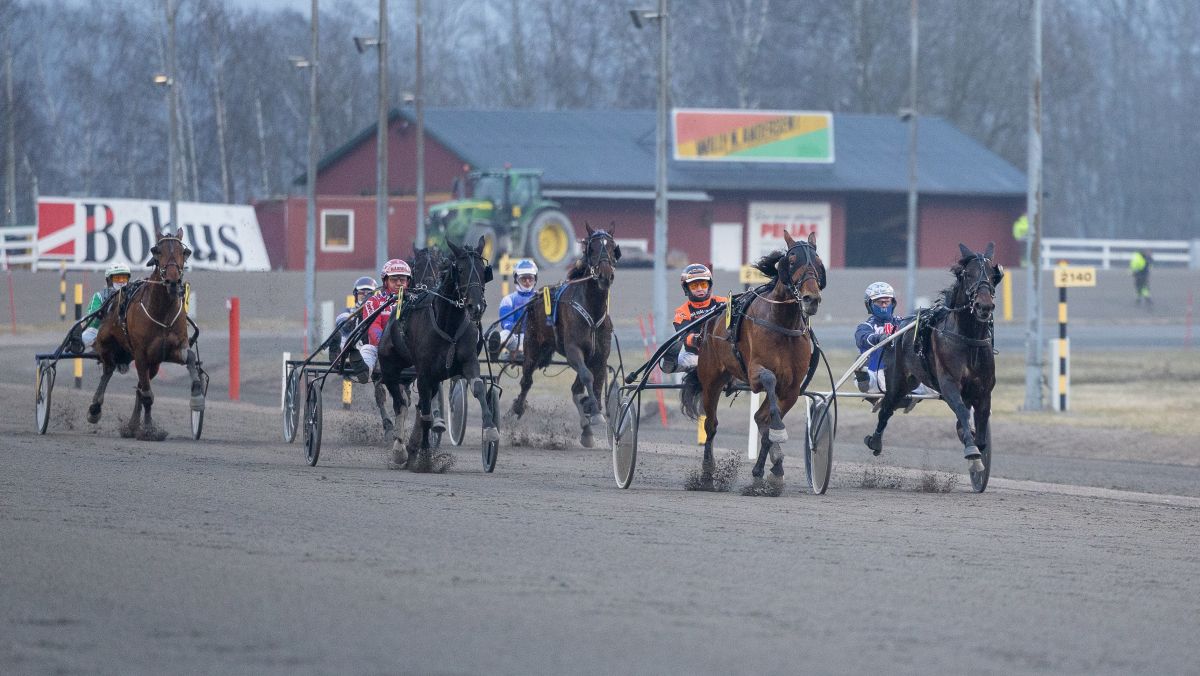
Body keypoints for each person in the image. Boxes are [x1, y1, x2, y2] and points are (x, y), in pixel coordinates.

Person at [661, 263, 727, 374]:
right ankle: (670, 363)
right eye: (694, 286)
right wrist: (697, 339)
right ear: (686, 289)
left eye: (703, 284)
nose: (700, 289)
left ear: (709, 285)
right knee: (681, 358)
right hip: (695, 355)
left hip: (724, 352)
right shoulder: (682, 311)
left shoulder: (724, 302)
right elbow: (684, 335)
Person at [355, 259, 411, 383]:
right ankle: (365, 371)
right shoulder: (374, 301)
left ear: (408, 282)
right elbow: (373, 326)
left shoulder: (415, 301)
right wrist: (386, 344)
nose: (398, 283)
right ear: (385, 281)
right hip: (382, 348)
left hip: (410, 349)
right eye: (393, 280)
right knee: (367, 349)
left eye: (402, 280)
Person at [854, 282, 902, 394]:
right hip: (875, 371)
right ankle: (863, 377)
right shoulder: (866, 326)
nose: (884, 305)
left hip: (901, 371)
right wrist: (879, 338)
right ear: (870, 304)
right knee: (878, 379)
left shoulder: (903, 322)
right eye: (880, 302)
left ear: (893, 303)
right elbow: (862, 339)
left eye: (887, 301)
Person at [489, 258, 538, 361]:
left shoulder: (541, 297)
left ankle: (519, 352)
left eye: (530, 278)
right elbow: (506, 324)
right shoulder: (508, 300)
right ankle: (496, 350)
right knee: (503, 334)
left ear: (535, 279)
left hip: (536, 339)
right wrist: (514, 327)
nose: (527, 282)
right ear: (516, 279)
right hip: (515, 337)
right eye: (523, 279)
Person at [79, 263, 131, 352]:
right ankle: (75, 344)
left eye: (124, 278)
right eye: (117, 278)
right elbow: (92, 320)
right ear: (109, 280)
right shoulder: (99, 296)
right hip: (100, 330)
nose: (121, 281)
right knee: (85, 336)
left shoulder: (132, 295)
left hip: (126, 332)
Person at [330, 276, 377, 358]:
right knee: (343, 337)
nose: (365, 295)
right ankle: (338, 354)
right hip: (353, 341)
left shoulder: (379, 310)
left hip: (372, 343)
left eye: (369, 293)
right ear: (355, 295)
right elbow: (341, 320)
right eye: (361, 293)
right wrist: (348, 322)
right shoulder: (350, 310)